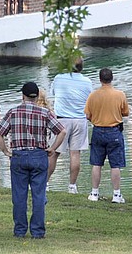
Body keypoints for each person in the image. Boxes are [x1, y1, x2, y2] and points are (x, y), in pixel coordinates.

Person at [0, 81, 66, 239]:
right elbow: (62, 131)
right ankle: (38, 231)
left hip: (18, 155)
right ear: (37, 96)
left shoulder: (13, 112)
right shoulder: (44, 113)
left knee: (19, 196)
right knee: (38, 195)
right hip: (39, 155)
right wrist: (53, 148)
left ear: (23, 95)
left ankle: (20, 230)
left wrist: (6, 150)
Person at [48, 57, 93, 194]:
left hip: (62, 120)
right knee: (75, 153)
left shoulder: (58, 78)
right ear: (81, 67)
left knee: (54, 152)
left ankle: (45, 183)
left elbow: (53, 94)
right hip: (80, 119)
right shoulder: (87, 82)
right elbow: (89, 99)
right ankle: (72, 186)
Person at [85, 68, 130, 203]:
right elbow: (125, 112)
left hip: (98, 130)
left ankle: (94, 193)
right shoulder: (120, 94)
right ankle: (116, 195)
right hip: (114, 131)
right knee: (115, 165)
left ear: (100, 79)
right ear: (112, 78)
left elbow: (87, 115)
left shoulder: (93, 95)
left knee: (96, 163)